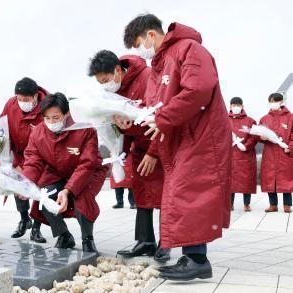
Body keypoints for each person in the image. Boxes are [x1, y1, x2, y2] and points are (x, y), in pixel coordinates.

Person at [123, 14, 232, 280]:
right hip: (179, 139)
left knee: (190, 194)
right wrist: (127, 116)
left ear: (151, 35)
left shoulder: (189, 49)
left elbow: (199, 88)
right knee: (181, 196)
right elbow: (152, 106)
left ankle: (197, 260)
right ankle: (192, 257)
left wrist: (162, 119)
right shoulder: (159, 66)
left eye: (138, 43)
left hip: (201, 136)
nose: (140, 51)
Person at [87, 50, 169, 262]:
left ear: (117, 70)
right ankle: (145, 241)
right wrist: (120, 143)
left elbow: (162, 116)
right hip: (138, 148)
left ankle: (166, 243)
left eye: (106, 80)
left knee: (162, 196)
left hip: (159, 144)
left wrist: (153, 153)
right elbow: (125, 123)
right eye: (100, 83)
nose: (105, 85)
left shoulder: (148, 77)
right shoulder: (114, 91)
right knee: (142, 194)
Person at [22, 92, 108, 253]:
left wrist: (68, 190)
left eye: (56, 118)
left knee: (82, 197)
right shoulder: (38, 133)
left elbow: (87, 164)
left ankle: (87, 238)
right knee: (44, 196)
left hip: (87, 173)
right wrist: (26, 182)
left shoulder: (84, 129)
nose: (51, 122)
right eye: (47, 118)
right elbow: (33, 159)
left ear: (67, 113)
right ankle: (64, 235)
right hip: (56, 172)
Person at [0, 77, 49, 243]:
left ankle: (36, 227)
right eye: (19, 99)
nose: (21, 102)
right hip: (19, 155)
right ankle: (24, 219)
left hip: (41, 157)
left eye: (26, 100)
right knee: (17, 185)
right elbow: (1, 128)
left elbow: (50, 139)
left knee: (37, 189)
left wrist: (27, 166)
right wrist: (1, 155)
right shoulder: (11, 104)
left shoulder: (47, 108)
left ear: (35, 96)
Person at [260, 93, 293, 213]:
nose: (272, 103)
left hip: (284, 153)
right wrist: (261, 137)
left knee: (286, 179)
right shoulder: (265, 118)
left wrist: (290, 147)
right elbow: (258, 133)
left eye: (275, 101)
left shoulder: (291, 117)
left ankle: (287, 205)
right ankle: (273, 204)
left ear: (281, 102)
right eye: (271, 101)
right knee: (270, 178)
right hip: (269, 153)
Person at [228, 97, 257, 212]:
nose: (236, 107)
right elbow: (217, 134)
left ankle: (247, 204)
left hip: (245, 155)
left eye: (238, 105)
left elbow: (254, 137)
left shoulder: (250, 121)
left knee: (247, 180)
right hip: (230, 155)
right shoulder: (223, 119)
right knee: (230, 181)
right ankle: (230, 204)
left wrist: (246, 146)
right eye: (234, 105)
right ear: (230, 106)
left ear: (242, 106)